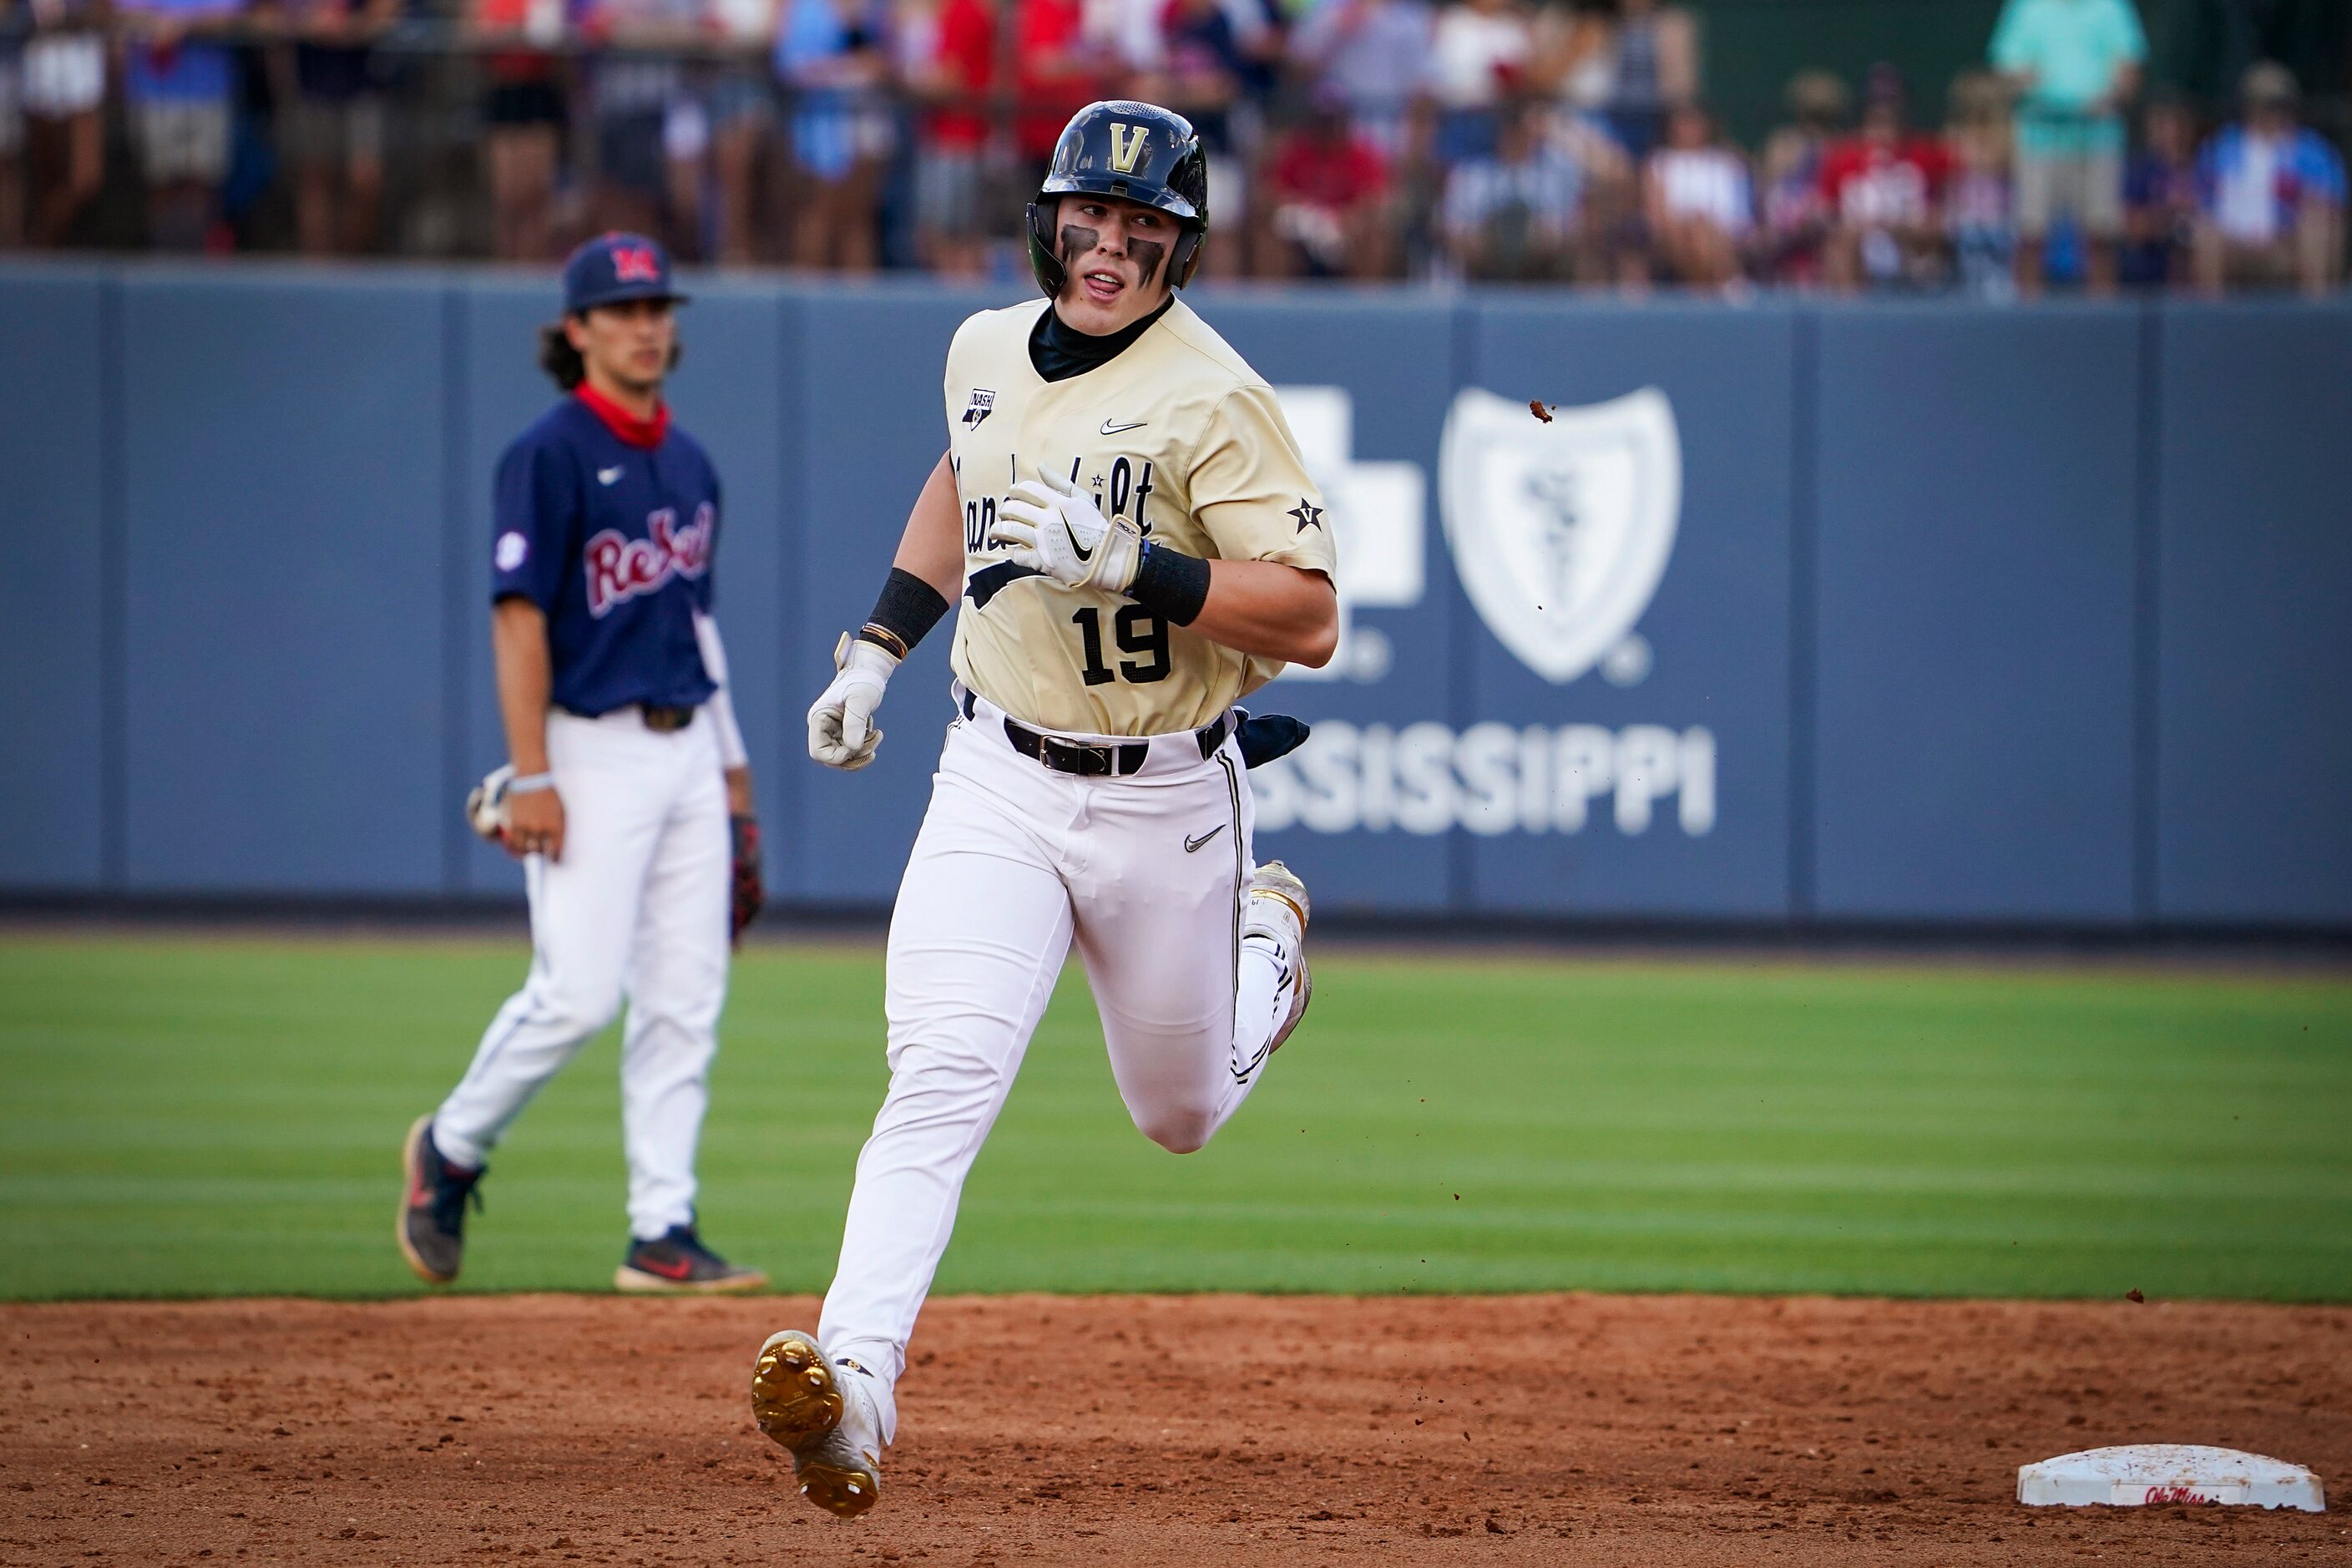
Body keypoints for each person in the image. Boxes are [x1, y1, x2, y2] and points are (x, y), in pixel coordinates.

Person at [755, 100, 1336, 1518]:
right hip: (997, 773)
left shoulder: (1215, 393)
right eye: (1090, 219)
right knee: (940, 1070)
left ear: (1179, 249)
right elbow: (965, 475)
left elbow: (1310, 615)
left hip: (1168, 796)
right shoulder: (979, 345)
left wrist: (1136, 560)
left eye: (1143, 232)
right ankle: (855, 1385)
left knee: (1180, 1111)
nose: (1108, 249)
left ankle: (1267, 953)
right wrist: (879, 646)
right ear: (1049, 218)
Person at [400, 235, 770, 1297]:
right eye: (623, 309)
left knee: (685, 998)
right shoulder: (549, 452)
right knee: (576, 993)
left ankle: (663, 1229)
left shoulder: (692, 462)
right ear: (578, 331)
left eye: (658, 306)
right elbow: (517, 618)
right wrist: (531, 773)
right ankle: (453, 1146)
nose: (648, 324)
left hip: (690, 744)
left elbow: (699, 627)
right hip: (586, 745)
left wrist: (736, 781)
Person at [1988, 0, 2144, 296]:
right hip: (2039, 141)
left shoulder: (2113, 8)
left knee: (2102, 237)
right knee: (2031, 236)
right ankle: (2027, 325)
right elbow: (2005, 70)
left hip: (2098, 140)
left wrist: (2108, 99)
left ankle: (2104, 328)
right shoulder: (2026, 8)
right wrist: (2027, 81)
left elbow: (2129, 74)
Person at [2193, 61, 2344, 297]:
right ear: (2249, 107)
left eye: (2280, 105)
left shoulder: (2312, 151)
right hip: (2235, 243)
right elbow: (2202, 198)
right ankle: (2212, 322)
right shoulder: (2223, 148)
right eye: (2265, 105)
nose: (2273, 114)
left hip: (2287, 243)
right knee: (2206, 230)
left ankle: (2315, 317)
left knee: (2317, 225)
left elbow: (2334, 203)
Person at [115, 0, 244, 250]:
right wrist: (155, 23)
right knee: (161, 182)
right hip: (155, 90)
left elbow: (234, 13)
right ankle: (164, 262)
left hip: (209, 90)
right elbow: (123, 13)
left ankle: (200, 265)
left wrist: (182, 26)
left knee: (203, 183)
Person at [1818, 63, 1950, 292]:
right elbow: (1824, 213)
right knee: (1842, 245)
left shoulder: (1927, 153)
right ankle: (1849, 316)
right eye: (1876, 116)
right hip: (1860, 249)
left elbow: (1943, 213)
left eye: (1892, 114)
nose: (1884, 125)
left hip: (1912, 246)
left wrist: (1899, 227)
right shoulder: (1842, 157)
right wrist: (1858, 227)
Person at [281, 0, 398, 255]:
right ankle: (319, 266)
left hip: (363, 83)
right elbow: (271, 13)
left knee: (365, 179)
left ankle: (350, 260)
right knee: (316, 176)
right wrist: (307, 22)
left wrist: (351, 27)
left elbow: (387, 12)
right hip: (313, 81)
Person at [1440, 94, 1582, 281]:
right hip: (1483, 269)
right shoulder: (1472, 175)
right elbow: (1452, 227)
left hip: (1543, 273)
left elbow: (1570, 228)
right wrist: (1484, 241)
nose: (1516, 136)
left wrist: (1540, 237)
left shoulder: (1555, 175)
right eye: (1510, 128)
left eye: (1521, 129)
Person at [469, 0, 568, 262]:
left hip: (539, 92)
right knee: (508, 196)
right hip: (505, 92)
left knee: (536, 193)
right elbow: (476, 37)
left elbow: (556, 37)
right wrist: (512, 34)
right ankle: (508, 265)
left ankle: (534, 265)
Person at [18, 0, 109, 246]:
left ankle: (39, 238)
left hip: (82, 82)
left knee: (85, 179)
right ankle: (44, 245)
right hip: (41, 78)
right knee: (47, 176)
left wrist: (72, 19)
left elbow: (102, 13)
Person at [1642, 100, 1747, 288]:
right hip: (1677, 232)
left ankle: (1704, 293)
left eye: (1693, 124)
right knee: (1696, 232)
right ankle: (1727, 284)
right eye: (1682, 125)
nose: (1687, 130)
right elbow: (1656, 215)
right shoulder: (1661, 163)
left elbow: (1739, 210)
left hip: (1723, 230)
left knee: (1702, 232)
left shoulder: (1726, 161)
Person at [2121, 92, 2197, 287]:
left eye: (2177, 124)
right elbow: (2132, 227)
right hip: (2147, 273)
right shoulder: (2138, 169)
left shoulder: (2204, 165)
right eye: (2158, 124)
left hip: (2194, 272)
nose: (2168, 133)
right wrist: (2170, 212)